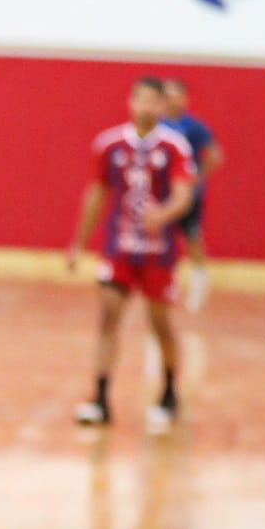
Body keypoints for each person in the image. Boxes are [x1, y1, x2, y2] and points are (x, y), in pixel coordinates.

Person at [67, 77, 196, 434]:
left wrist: (163, 214)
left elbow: (184, 194)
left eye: (154, 101)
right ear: (130, 102)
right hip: (119, 248)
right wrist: (79, 243)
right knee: (108, 316)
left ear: (162, 106)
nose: (146, 107)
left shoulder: (174, 147)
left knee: (160, 324)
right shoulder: (109, 145)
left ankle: (168, 392)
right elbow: (97, 193)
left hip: (159, 253)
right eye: (141, 99)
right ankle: (100, 397)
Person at [161, 78, 225, 312]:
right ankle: (166, 282)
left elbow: (215, 155)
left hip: (190, 195)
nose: (171, 100)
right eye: (167, 95)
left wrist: (197, 178)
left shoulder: (194, 127)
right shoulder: (158, 126)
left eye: (175, 95)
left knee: (192, 237)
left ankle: (199, 282)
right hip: (163, 194)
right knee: (162, 239)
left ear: (184, 99)